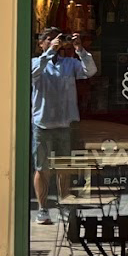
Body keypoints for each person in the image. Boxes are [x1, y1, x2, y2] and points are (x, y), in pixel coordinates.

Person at [31, 28, 98, 225]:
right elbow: (33, 73)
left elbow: (90, 71)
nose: (55, 42)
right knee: (42, 168)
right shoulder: (35, 62)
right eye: (49, 39)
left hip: (64, 123)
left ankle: (64, 205)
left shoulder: (69, 64)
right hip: (42, 123)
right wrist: (49, 52)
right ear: (41, 43)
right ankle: (43, 209)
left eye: (58, 39)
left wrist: (79, 49)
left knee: (64, 168)